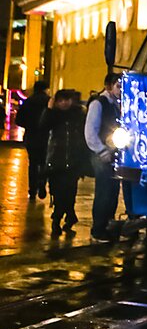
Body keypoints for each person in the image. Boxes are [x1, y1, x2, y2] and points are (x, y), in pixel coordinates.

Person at [43, 89, 88, 236]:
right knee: (57, 193)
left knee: (69, 193)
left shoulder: (78, 115)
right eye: (60, 100)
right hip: (56, 162)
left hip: (73, 163)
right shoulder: (53, 115)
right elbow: (42, 126)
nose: (64, 103)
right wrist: (48, 110)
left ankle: (58, 220)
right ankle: (67, 216)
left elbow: (83, 136)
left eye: (66, 99)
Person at [84, 73, 122, 242]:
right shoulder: (99, 104)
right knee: (104, 191)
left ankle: (108, 224)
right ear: (108, 86)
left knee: (113, 190)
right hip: (101, 154)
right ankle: (98, 229)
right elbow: (90, 131)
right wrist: (101, 150)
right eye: (118, 86)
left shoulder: (118, 104)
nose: (121, 90)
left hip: (113, 153)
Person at [15, 80, 51, 200]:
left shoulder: (28, 102)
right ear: (45, 89)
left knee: (33, 164)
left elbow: (18, 120)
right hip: (46, 137)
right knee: (44, 162)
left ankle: (32, 190)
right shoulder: (49, 101)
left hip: (31, 137)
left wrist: (29, 125)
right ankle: (42, 183)